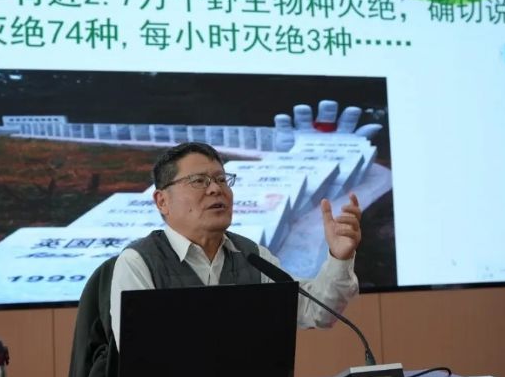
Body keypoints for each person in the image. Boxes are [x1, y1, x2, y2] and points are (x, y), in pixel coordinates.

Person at [110, 141, 361, 348]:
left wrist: (339, 257)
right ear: (162, 201)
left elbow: (317, 312)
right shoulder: (139, 262)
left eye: (221, 179)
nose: (215, 189)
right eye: (198, 181)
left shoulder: (253, 256)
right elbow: (142, 353)